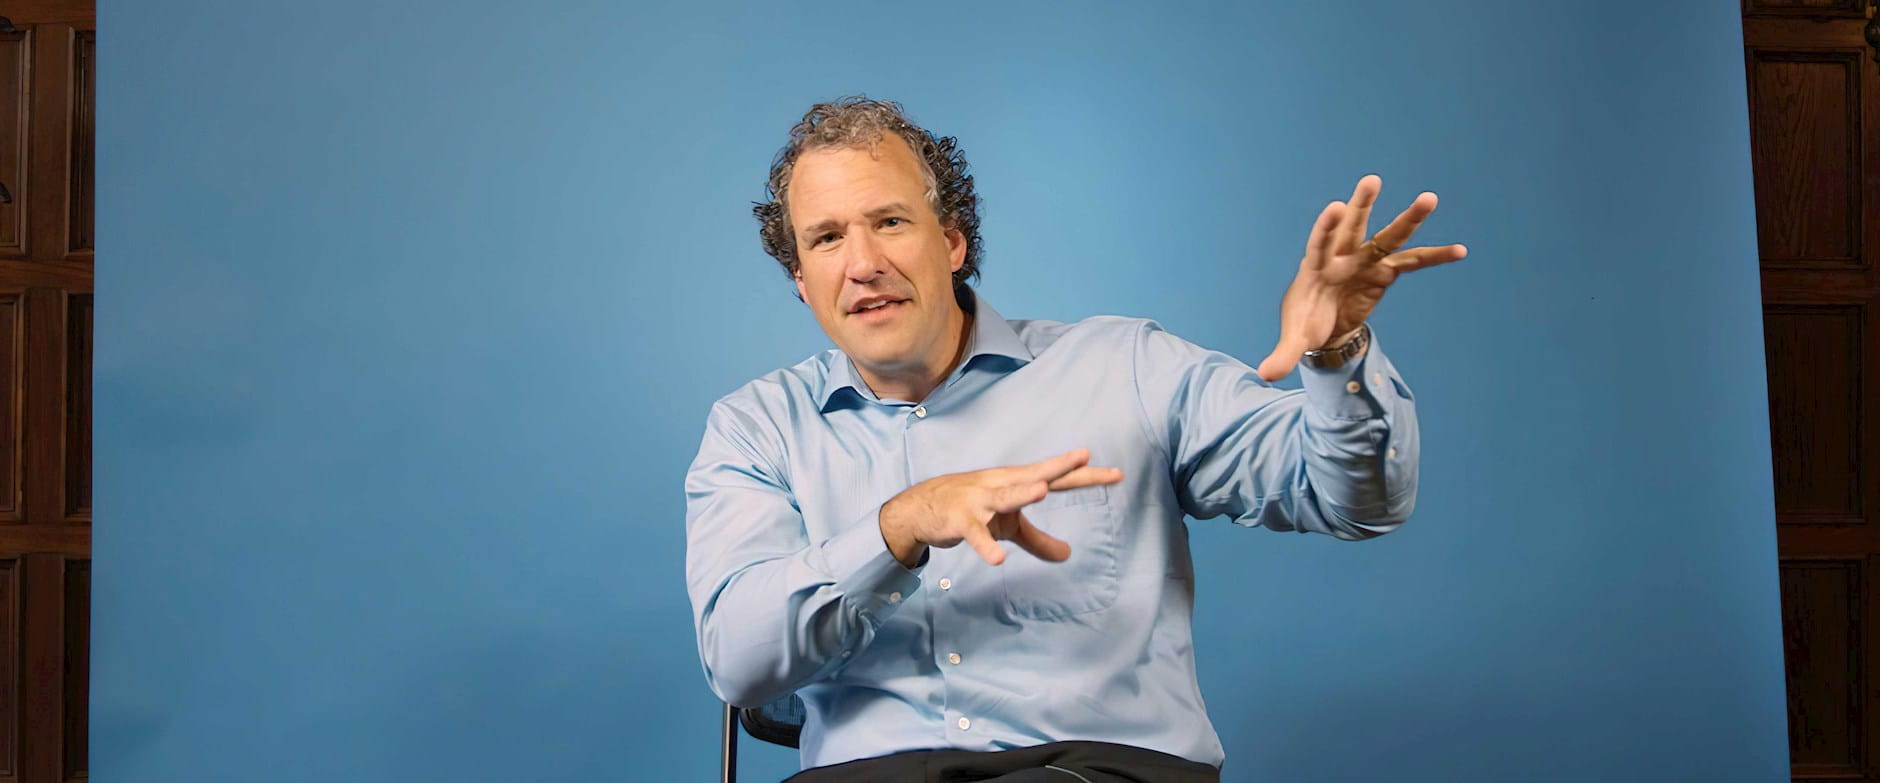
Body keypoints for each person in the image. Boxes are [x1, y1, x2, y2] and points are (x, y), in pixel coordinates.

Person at [684, 96, 1466, 782]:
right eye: (826, 238)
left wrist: (1336, 352)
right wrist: (900, 525)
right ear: (801, 278)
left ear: (951, 242)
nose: (862, 264)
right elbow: (739, 662)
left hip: (1093, 770)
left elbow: (1356, 499)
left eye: (890, 221)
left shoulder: (1126, 368)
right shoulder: (756, 428)